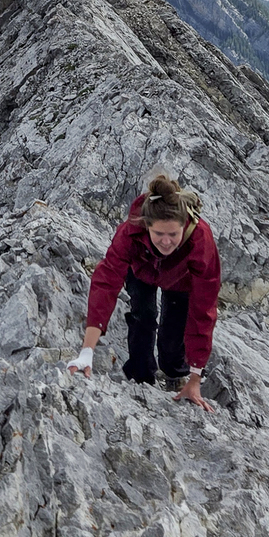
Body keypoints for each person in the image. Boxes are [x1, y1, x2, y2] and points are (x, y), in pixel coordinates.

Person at [67, 174, 220, 411]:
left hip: (182, 280)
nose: (166, 242)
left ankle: (176, 374)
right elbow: (105, 283)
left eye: (173, 235)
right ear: (147, 226)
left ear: (185, 225)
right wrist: (87, 351)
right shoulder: (130, 232)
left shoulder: (201, 239)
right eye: (159, 234)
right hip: (141, 270)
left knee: (174, 333)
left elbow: (203, 309)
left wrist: (195, 377)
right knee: (142, 316)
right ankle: (141, 376)